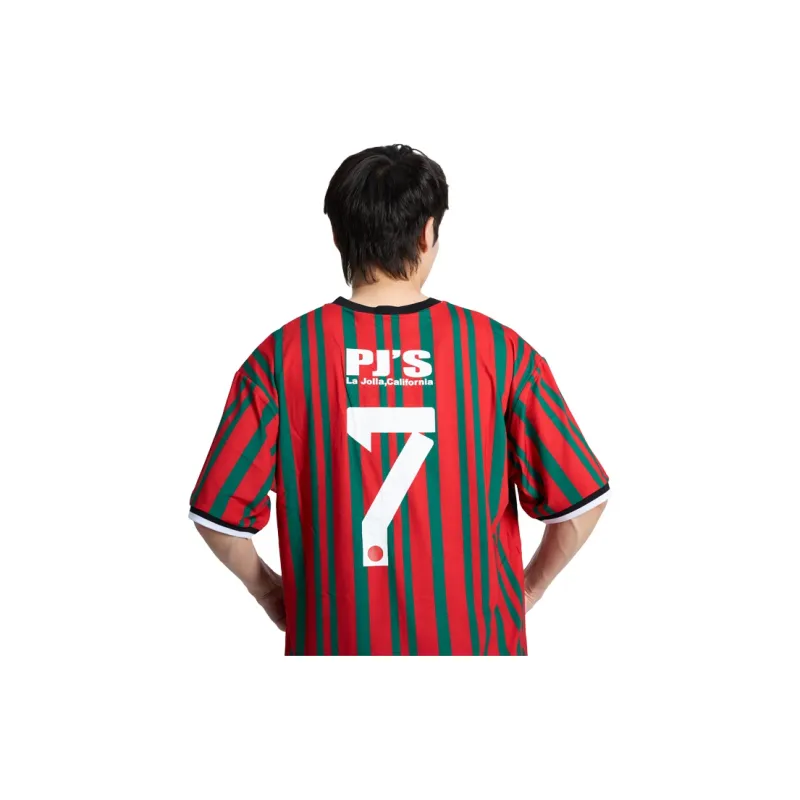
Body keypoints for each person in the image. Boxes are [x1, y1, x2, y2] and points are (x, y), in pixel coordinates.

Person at [189, 144, 609, 656]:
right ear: (428, 232)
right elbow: (580, 503)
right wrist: (528, 590)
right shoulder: (499, 352)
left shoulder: (282, 357)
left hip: (336, 645)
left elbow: (218, 515)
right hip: (475, 645)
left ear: (338, 234)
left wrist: (271, 594)